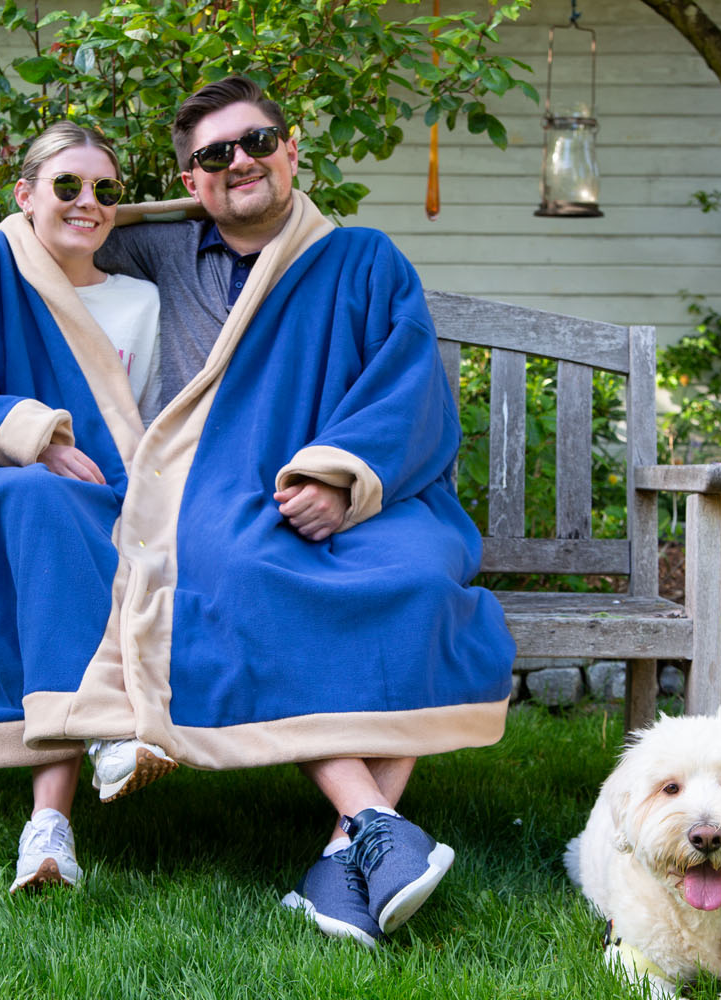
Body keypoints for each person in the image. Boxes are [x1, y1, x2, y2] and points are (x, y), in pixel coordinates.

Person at [90, 76, 517, 946]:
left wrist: (341, 475)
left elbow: (408, 383)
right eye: (214, 156)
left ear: (292, 152)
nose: (239, 160)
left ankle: (340, 856)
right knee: (248, 572)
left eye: (257, 142)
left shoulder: (365, 259)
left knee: (419, 581)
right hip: (224, 488)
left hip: (371, 488)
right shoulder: (162, 255)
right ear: (192, 185)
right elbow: (55, 237)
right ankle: (375, 826)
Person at [0, 122, 176, 895]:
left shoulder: (141, 302)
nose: (89, 202)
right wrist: (33, 434)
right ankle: (105, 732)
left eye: (107, 191)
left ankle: (48, 827)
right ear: (24, 194)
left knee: (60, 513)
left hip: (102, 498)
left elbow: (138, 422)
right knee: (36, 497)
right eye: (68, 185)